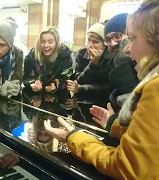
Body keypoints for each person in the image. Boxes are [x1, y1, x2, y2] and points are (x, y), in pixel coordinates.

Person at [44, 0, 159, 179]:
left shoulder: (155, 86)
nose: (126, 48)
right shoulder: (82, 54)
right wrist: (114, 124)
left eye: (133, 38)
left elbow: (127, 167)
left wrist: (74, 137)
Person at [67, 22, 113, 95]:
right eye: (89, 40)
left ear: (104, 45)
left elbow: (109, 87)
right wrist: (92, 65)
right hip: (82, 100)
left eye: (95, 42)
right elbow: (79, 81)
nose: (90, 45)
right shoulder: (82, 53)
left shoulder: (111, 57)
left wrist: (82, 88)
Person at [23, 27, 72, 93]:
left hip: (59, 96)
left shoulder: (65, 55)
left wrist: (55, 84)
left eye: (50, 42)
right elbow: (27, 77)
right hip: (35, 96)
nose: (46, 45)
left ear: (56, 43)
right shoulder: (32, 55)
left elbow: (68, 79)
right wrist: (33, 83)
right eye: (43, 42)